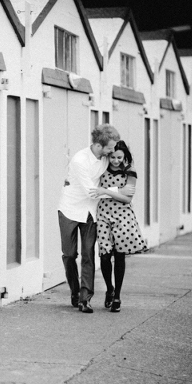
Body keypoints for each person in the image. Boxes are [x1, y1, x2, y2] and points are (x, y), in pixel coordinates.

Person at [58, 123, 123, 314]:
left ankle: (85, 299)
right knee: (69, 255)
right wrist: (120, 193)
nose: (113, 151)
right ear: (99, 146)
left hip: (90, 213)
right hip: (69, 209)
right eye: (110, 147)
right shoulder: (79, 160)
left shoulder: (105, 158)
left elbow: (123, 164)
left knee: (88, 254)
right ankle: (74, 291)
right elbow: (91, 192)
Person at [89, 140, 147, 312]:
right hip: (104, 214)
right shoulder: (101, 169)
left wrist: (106, 191)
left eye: (119, 157)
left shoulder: (130, 172)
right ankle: (109, 289)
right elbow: (95, 190)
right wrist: (118, 192)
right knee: (105, 255)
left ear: (124, 156)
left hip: (123, 215)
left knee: (119, 255)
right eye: (113, 157)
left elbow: (127, 199)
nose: (116, 161)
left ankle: (117, 297)